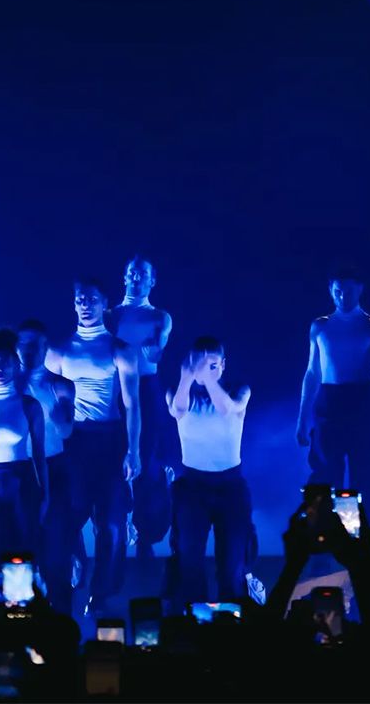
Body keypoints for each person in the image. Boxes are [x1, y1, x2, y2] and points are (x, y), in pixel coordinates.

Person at [44, 278, 142, 619]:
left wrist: (134, 451)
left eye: (91, 299)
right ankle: (68, 582)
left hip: (110, 438)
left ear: (104, 304)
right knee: (67, 519)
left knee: (112, 524)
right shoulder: (58, 351)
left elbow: (133, 404)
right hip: (74, 443)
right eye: (79, 299)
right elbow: (46, 403)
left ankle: (102, 594)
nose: (84, 304)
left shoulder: (120, 349)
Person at [296, 267, 370, 556]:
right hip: (329, 403)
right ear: (331, 290)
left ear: (360, 289)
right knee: (323, 477)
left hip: (362, 401)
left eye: (349, 290)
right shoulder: (320, 325)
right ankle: (319, 546)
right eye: (338, 290)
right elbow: (312, 373)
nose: (343, 296)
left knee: (369, 478)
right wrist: (302, 418)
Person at [166, 337, 253, 609]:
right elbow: (177, 409)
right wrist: (186, 376)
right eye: (200, 365)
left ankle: (231, 621)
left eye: (213, 365)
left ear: (223, 365)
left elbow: (227, 409)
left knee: (232, 564)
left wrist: (208, 377)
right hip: (193, 486)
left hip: (230, 486)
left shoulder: (239, 390)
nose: (206, 371)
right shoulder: (180, 391)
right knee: (190, 561)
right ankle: (194, 621)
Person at [106, 256, 175, 560]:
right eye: (131, 272)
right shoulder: (111, 314)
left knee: (147, 459)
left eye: (142, 273)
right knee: (113, 457)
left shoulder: (160, 316)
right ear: (125, 277)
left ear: (152, 280)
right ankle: (115, 530)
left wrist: (155, 350)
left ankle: (146, 533)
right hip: (115, 389)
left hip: (147, 389)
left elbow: (158, 354)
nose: (136, 276)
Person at [17, 319, 77, 611]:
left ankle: (62, 614)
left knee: (56, 547)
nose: (28, 350)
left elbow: (66, 431)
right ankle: (20, 614)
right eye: (23, 344)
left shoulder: (59, 385)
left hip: (54, 468)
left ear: (45, 347)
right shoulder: (5, 383)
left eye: (35, 344)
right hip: (17, 469)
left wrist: (56, 414)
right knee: (20, 546)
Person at [0, 327, 48, 564]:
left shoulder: (29, 405)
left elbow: (39, 453)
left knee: (21, 544)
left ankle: (21, 598)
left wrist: (45, 493)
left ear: (16, 365)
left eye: (4, 363)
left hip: (19, 478)